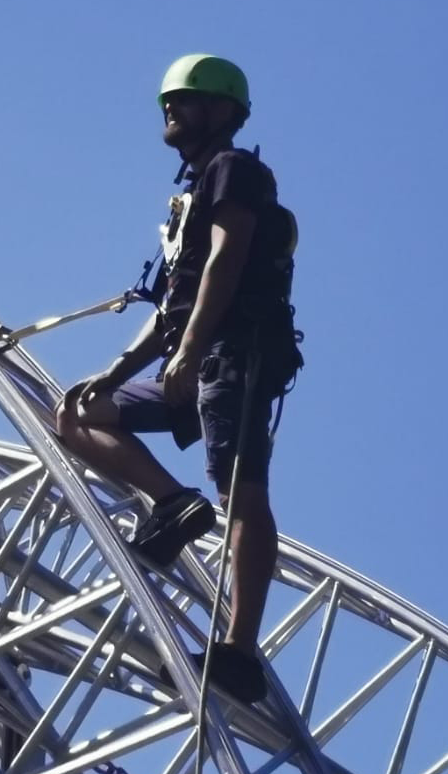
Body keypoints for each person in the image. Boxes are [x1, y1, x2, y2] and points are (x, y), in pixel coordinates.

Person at [55, 54, 300, 704]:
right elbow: (173, 304)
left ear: (221, 110)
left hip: (233, 356)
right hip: (194, 357)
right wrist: (118, 370)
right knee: (77, 414)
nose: (171, 108)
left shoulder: (234, 172)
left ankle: (239, 653)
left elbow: (228, 259)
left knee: (241, 492)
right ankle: (171, 504)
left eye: (186, 99)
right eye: (169, 99)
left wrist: (189, 354)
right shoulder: (188, 201)